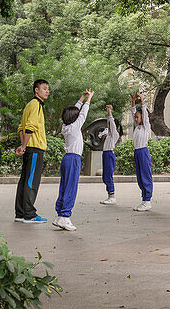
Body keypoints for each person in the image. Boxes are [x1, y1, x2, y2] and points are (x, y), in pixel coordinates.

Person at [54, 89, 93, 231]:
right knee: (71, 188)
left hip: (67, 159)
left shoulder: (66, 126)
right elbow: (82, 114)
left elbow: (74, 113)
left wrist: (81, 98)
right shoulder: (75, 126)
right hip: (73, 159)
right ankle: (65, 217)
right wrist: (89, 98)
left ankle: (60, 215)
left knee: (64, 187)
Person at [14, 79, 50, 224]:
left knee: (24, 180)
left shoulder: (30, 105)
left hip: (30, 148)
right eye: (44, 88)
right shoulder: (36, 105)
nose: (47, 91)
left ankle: (20, 213)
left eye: (48, 89)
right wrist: (24, 145)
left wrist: (24, 146)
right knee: (31, 181)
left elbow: (21, 128)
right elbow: (29, 127)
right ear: (36, 90)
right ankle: (29, 214)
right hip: (35, 149)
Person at [130, 94, 154, 212]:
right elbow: (133, 110)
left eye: (137, 117)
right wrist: (134, 100)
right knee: (140, 177)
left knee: (145, 176)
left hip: (143, 152)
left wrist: (142, 100)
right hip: (137, 152)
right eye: (135, 117)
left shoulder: (146, 127)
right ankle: (144, 200)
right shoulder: (137, 127)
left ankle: (147, 200)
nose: (135, 119)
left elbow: (144, 113)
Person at [99, 104, 120, 206]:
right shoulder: (109, 134)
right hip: (105, 154)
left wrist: (109, 111)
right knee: (105, 176)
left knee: (108, 176)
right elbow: (100, 136)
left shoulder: (115, 134)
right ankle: (109, 195)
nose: (108, 125)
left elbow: (111, 121)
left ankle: (112, 196)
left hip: (109, 154)